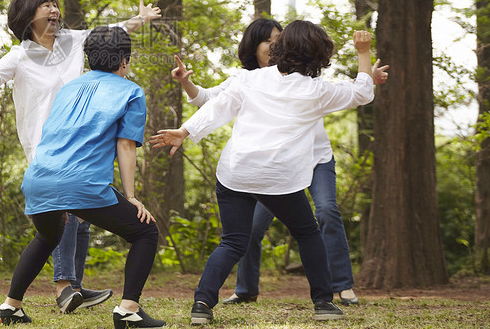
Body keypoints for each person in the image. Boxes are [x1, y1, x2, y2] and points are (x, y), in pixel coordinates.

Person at [0, 0, 161, 313]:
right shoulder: (20, 56)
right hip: (44, 145)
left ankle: (69, 287)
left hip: (83, 139)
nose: (54, 10)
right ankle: (65, 286)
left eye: (55, 5)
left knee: (77, 218)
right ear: (28, 14)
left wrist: (140, 18)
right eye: (46, 6)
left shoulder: (72, 41)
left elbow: (110, 36)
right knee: (68, 214)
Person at [151, 21, 377, 324]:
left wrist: (185, 131)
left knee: (232, 241)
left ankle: (202, 305)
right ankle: (323, 302)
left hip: (235, 172)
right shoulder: (317, 91)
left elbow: (218, 108)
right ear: (318, 55)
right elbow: (363, 93)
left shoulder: (250, 79)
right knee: (308, 233)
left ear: (280, 49)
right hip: (277, 178)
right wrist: (363, 53)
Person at [0, 26, 165, 328]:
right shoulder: (131, 91)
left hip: (38, 177)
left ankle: (11, 306)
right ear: (125, 60)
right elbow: (125, 146)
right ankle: (128, 310)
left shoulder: (69, 88)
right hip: (82, 183)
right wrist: (131, 197)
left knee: (48, 235)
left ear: (89, 58)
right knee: (146, 232)